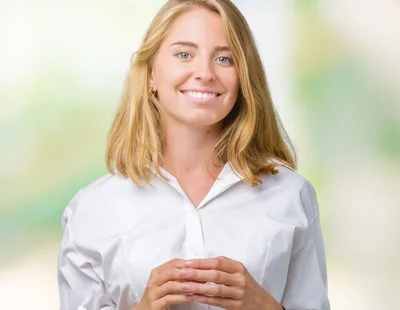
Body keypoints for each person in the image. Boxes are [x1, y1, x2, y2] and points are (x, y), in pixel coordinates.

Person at [56, 0, 330, 309]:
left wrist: (263, 306)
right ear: (150, 76)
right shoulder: (93, 210)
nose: (204, 72)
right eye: (184, 54)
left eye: (224, 58)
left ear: (243, 78)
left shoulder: (291, 196)